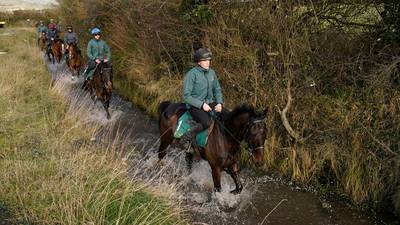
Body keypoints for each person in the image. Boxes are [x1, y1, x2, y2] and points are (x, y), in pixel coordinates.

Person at [182, 48, 224, 138]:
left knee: (226, 115)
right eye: (204, 60)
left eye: (209, 60)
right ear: (198, 62)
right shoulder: (191, 75)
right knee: (207, 122)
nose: (207, 62)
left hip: (210, 103)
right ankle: (188, 135)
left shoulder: (212, 73)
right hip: (194, 106)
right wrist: (201, 105)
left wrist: (220, 103)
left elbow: (217, 89)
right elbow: (186, 96)